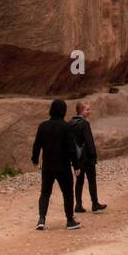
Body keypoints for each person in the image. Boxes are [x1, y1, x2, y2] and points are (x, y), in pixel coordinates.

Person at [32, 99, 82, 231]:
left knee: (45, 193)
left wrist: (35, 159)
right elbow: (71, 148)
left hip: (48, 166)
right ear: (63, 111)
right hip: (63, 167)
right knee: (67, 193)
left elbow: (37, 145)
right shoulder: (66, 127)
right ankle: (70, 220)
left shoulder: (43, 126)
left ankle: (41, 219)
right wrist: (76, 166)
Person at [70, 101, 106, 214]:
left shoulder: (70, 123)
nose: (89, 111)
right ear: (81, 111)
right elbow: (89, 141)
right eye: (87, 109)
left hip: (77, 158)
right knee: (91, 180)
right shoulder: (84, 124)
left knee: (79, 181)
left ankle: (78, 204)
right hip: (86, 157)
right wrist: (93, 156)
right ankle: (95, 204)